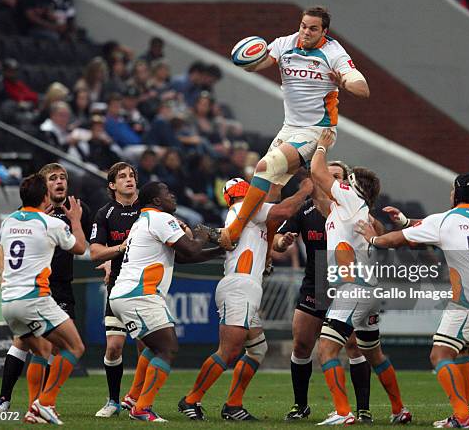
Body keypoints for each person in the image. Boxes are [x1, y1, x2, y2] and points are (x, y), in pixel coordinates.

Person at [356, 173, 469, 428]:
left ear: (456, 194)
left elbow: (398, 239)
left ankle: (462, 416)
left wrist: (372, 238)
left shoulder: (445, 219)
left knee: (439, 354)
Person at [214, 6, 369, 252]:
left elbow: (363, 88)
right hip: (290, 128)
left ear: (324, 31)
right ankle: (266, 253)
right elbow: (257, 64)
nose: (306, 32)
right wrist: (247, 60)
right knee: (271, 190)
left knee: (264, 167)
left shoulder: (334, 52)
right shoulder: (285, 43)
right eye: (303, 26)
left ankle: (234, 229)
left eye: (313, 29)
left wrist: (346, 82)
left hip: (318, 130)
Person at [178, 176, 313, 421]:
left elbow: (266, 245)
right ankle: (190, 399)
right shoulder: (245, 207)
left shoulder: (248, 217)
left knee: (258, 349)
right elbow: (286, 209)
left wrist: (280, 244)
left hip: (246, 286)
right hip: (239, 286)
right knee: (229, 350)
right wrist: (305, 189)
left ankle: (233, 405)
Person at [310, 130, 410, 426]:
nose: (338, 182)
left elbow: (317, 171)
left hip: (352, 288)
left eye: (344, 179)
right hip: (366, 288)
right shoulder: (351, 207)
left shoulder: (351, 198)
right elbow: (318, 193)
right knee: (373, 352)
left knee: (326, 350)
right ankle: (398, 409)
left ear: (352, 185)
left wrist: (320, 146)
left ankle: (343, 413)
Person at [109, 181, 222, 422]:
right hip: (139, 294)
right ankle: (142, 408)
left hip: (129, 294)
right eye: (167, 192)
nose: (172, 195)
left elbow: (182, 257)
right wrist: (203, 234)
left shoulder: (144, 221)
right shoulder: (160, 219)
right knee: (167, 348)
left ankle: (132, 398)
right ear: (157, 201)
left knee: (155, 347)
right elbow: (191, 249)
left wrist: (219, 252)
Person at [274, 161, 373, 423]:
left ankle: (362, 409)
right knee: (302, 343)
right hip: (316, 280)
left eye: (338, 175)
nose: (332, 179)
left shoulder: (352, 207)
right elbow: (278, 240)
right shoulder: (305, 210)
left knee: (353, 345)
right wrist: (282, 242)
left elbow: (379, 234)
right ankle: (301, 405)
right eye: (329, 175)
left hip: (348, 282)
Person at [0, 164, 91, 413]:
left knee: (46, 347)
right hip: (35, 290)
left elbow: (89, 244)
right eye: (53, 178)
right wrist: (4, 275)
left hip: (60, 286)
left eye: (63, 178)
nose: (59, 182)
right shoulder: (28, 216)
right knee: (32, 343)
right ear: (43, 188)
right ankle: (13, 399)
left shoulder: (78, 209)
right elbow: (2, 251)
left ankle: (39, 404)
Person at [90, 162, 141, 418]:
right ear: (112, 185)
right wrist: (120, 249)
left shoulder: (149, 210)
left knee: (147, 346)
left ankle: (138, 400)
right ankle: (113, 401)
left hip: (145, 288)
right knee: (114, 347)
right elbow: (95, 252)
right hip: (118, 286)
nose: (129, 180)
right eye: (122, 177)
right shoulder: (105, 213)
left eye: (131, 175)